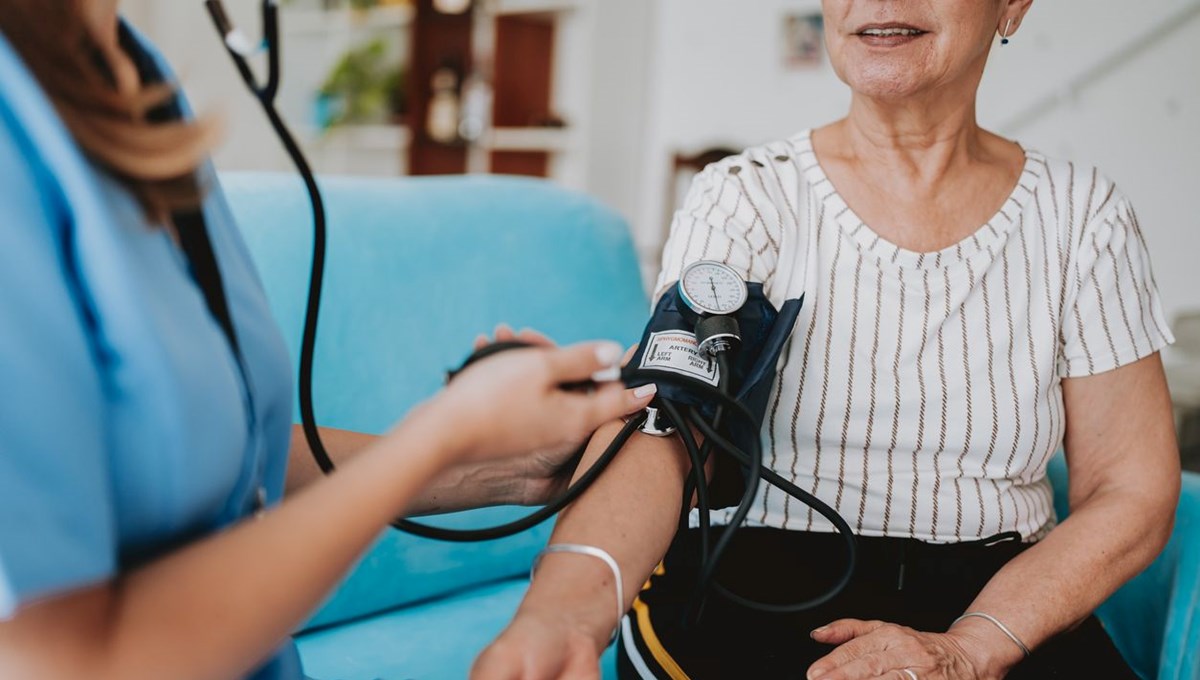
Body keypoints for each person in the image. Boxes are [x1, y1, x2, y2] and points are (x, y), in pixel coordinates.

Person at [474, 1, 1182, 678]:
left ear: (1014, 4)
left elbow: (1130, 487)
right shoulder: (745, 197)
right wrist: (562, 615)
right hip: (751, 574)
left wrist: (974, 646)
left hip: (999, 601)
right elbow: (664, 429)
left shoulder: (1083, 218)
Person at [0, 2, 659, 679]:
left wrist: (503, 466)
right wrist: (442, 433)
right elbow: (66, 661)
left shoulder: (130, 69)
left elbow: (231, 471)